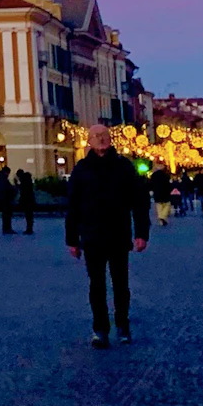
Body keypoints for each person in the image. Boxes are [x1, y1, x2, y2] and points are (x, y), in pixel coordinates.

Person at [65, 122, 150, 349]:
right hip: (92, 236)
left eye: (104, 135)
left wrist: (142, 233)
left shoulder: (124, 167)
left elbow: (139, 201)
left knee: (121, 284)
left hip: (118, 234)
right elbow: (72, 206)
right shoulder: (81, 169)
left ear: (110, 139)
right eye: (96, 136)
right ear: (90, 141)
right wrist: (72, 240)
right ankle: (100, 329)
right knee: (97, 285)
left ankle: (123, 325)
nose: (100, 139)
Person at [149, 163, 174, 230]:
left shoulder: (154, 175)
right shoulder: (166, 175)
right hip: (165, 192)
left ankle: (161, 218)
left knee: (159, 205)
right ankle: (163, 216)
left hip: (157, 192)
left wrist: (151, 190)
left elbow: (150, 184)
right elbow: (169, 184)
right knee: (167, 204)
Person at [0, 166, 15, 236]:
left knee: (5, 215)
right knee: (7, 215)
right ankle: (7, 228)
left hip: (3, 199)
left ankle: (6, 228)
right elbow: (7, 189)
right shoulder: (3, 180)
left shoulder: (1, 179)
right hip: (5, 199)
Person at [16, 168, 37, 236]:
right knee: (29, 215)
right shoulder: (28, 180)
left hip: (27, 200)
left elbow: (24, 192)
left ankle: (29, 228)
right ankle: (29, 228)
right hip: (29, 199)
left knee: (28, 215)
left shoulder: (24, 181)